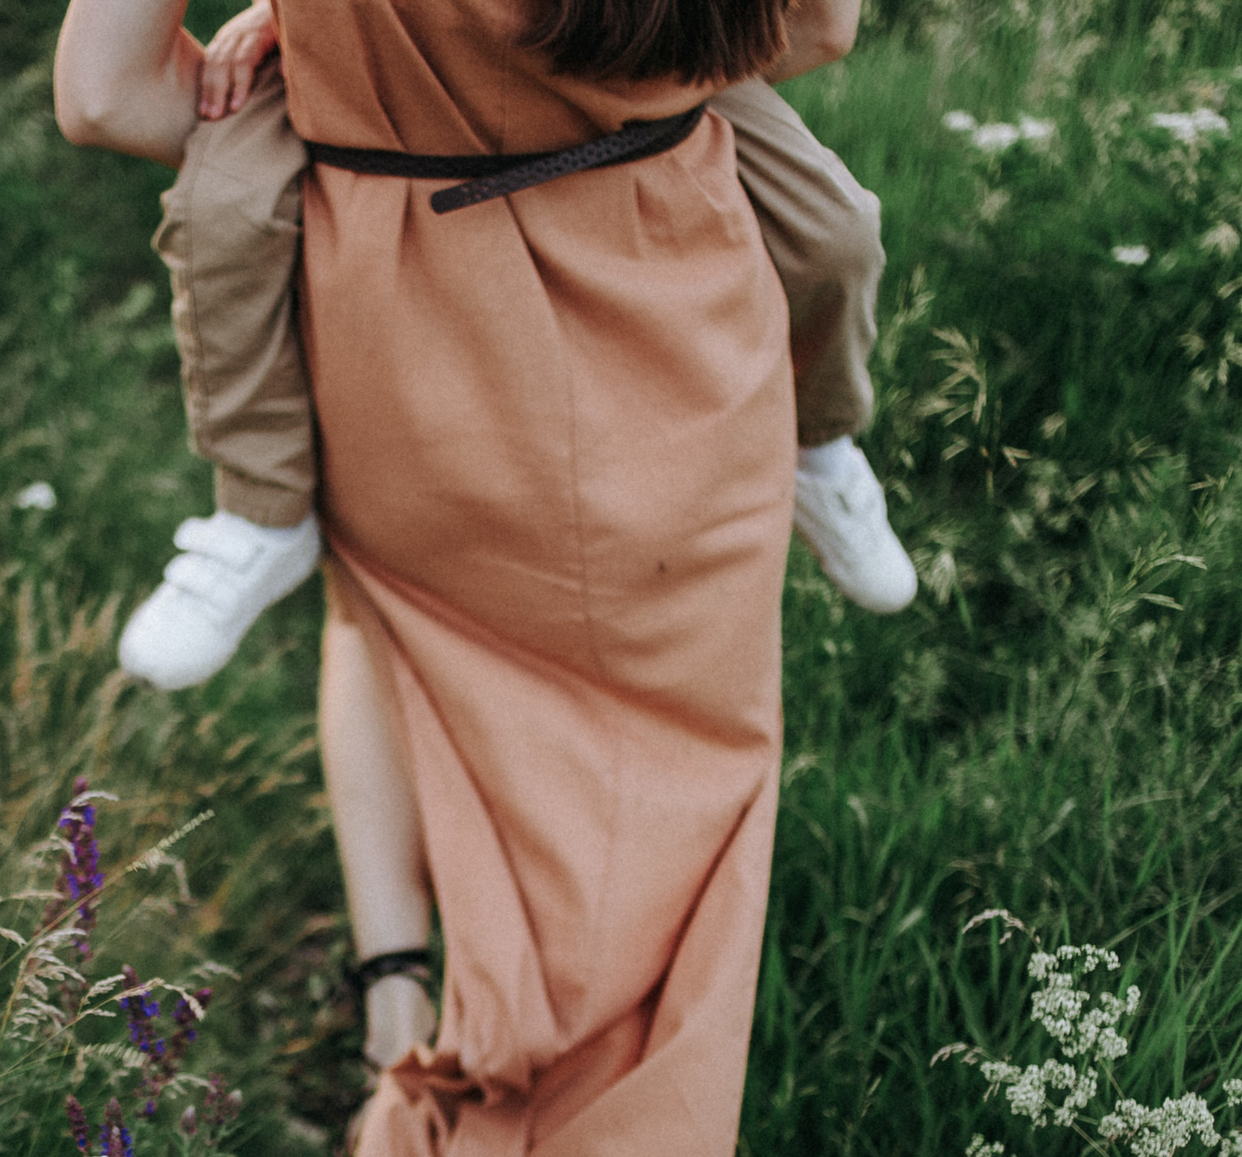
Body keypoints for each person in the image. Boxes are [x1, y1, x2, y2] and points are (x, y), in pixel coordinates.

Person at [58, 0, 802, 1157]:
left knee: (390, 622)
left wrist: (324, 87)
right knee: (687, 769)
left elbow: (106, 97)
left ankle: (406, 1013)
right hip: (673, 306)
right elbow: (806, 35)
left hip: (403, 303)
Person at [113, 0, 914, 693]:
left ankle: (819, 440)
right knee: (227, 210)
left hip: (633, 63)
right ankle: (260, 510)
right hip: (369, 91)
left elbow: (821, 32)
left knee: (834, 227)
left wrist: (635, 86)